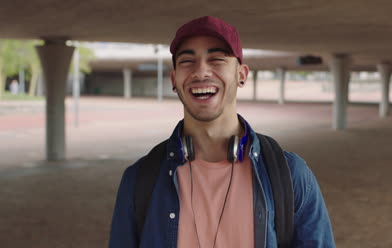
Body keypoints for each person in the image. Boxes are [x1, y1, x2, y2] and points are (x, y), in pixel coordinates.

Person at [109, 16, 335, 248]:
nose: (201, 71)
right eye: (187, 61)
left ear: (242, 75)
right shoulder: (139, 179)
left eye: (216, 59)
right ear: (174, 78)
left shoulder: (291, 174)